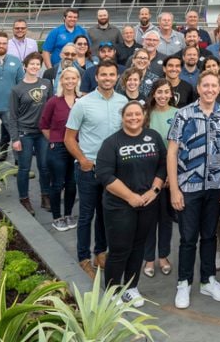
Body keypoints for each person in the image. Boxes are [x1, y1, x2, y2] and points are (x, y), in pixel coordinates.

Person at [167, 70, 220, 309]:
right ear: (199, 87)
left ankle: (208, 281)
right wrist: (174, 189)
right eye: (205, 85)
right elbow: (172, 152)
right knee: (187, 238)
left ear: (218, 88)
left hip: (215, 186)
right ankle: (183, 283)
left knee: (209, 236)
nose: (209, 90)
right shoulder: (183, 115)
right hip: (189, 186)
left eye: (213, 86)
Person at [94, 100, 166, 307]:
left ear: (144, 116)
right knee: (119, 249)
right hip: (119, 206)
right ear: (123, 117)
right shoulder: (112, 142)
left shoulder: (153, 137)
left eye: (137, 114)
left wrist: (154, 190)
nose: (134, 118)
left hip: (148, 203)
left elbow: (162, 164)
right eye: (129, 115)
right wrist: (130, 197)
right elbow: (104, 175)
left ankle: (131, 287)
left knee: (138, 246)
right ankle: (113, 290)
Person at [64, 59, 129, 277]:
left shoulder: (123, 102)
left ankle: (100, 252)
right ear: (96, 77)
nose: (108, 78)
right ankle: (83, 257)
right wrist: (82, 159)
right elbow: (69, 138)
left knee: (105, 214)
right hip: (88, 169)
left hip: (113, 171)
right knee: (86, 215)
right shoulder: (83, 103)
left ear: (117, 77)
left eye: (112, 74)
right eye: (104, 75)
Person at [8, 52, 52, 214]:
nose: (34, 67)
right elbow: (12, 116)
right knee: (24, 168)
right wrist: (15, 138)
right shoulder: (17, 89)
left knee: (45, 167)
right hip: (25, 133)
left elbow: (51, 107)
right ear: (25, 66)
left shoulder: (46, 84)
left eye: (37, 65)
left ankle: (45, 195)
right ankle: (24, 198)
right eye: (31, 64)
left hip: (43, 133)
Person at [40, 64, 81, 231]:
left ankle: (68, 214)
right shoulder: (53, 102)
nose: (70, 81)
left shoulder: (82, 101)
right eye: (67, 78)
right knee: (57, 183)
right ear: (61, 81)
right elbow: (43, 124)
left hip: (77, 148)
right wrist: (55, 140)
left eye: (73, 78)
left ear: (78, 80)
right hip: (58, 148)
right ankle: (57, 217)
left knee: (72, 183)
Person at [143, 79, 176, 278]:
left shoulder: (177, 114)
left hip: (170, 174)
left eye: (166, 92)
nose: (163, 96)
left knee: (165, 219)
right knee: (148, 219)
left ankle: (163, 256)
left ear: (171, 94)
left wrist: (171, 176)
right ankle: (149, 258)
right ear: (153, 93)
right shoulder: (146, 114)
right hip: (149, 174)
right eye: (159, 92)